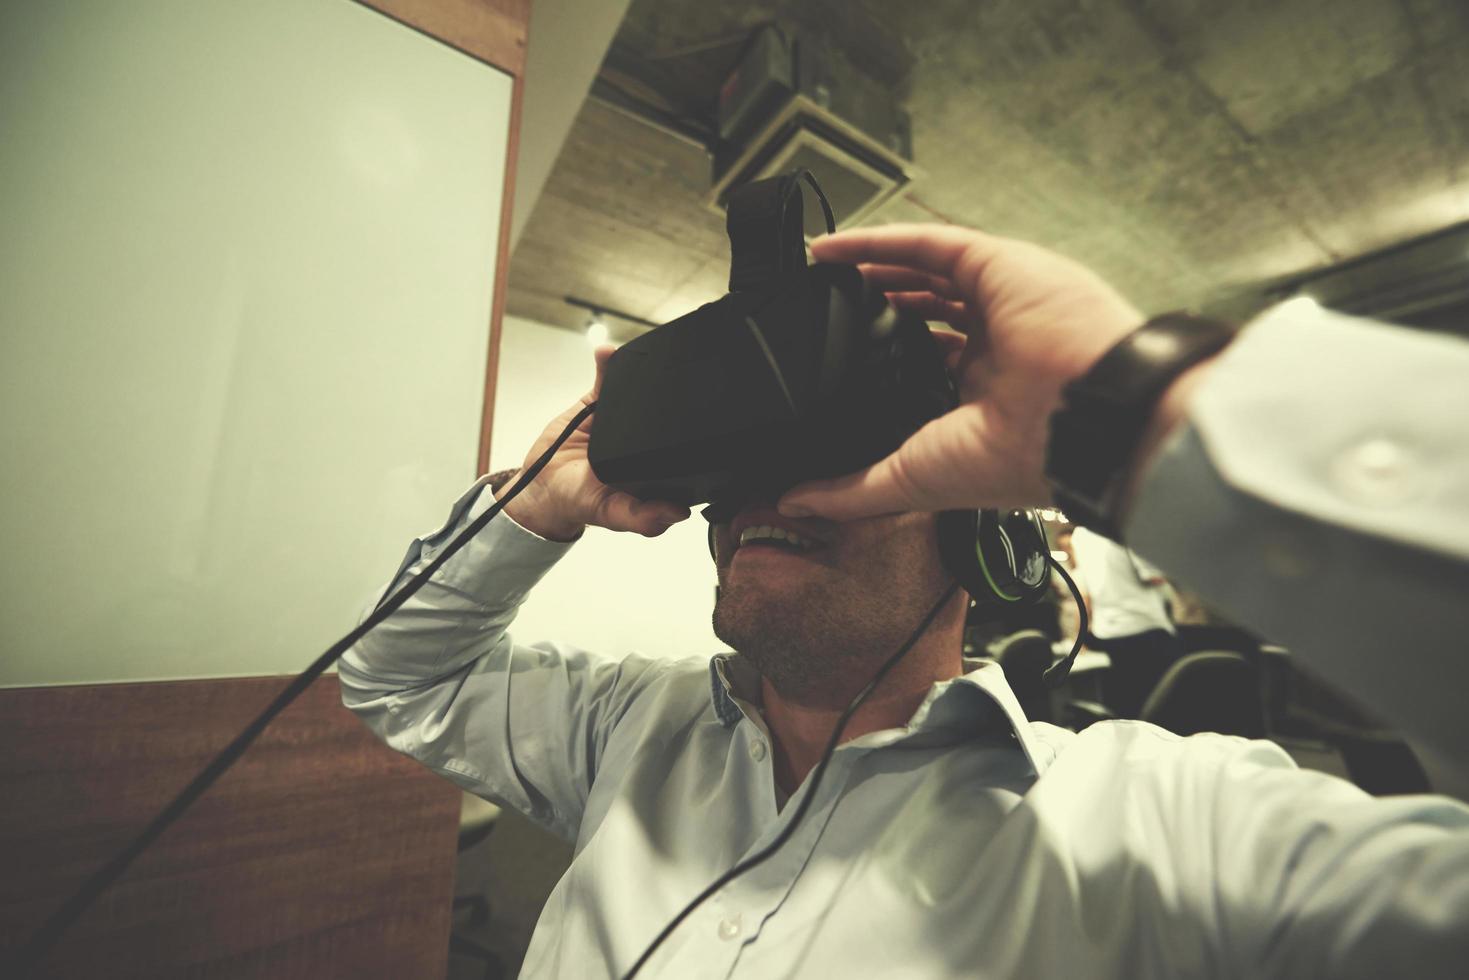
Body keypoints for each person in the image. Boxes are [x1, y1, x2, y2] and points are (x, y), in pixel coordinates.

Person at [340, 223, 1469, 978]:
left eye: (833, 460)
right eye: (734, 470)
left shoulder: (1153, 827)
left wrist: (1144, 420)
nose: (758, 498)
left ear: (982, 535)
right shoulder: (624, 730)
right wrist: (531, 506)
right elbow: (396, 675)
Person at [1067, 523, 1180, 716]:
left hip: (1108, 636)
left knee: (1126, 716)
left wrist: (1079, 638)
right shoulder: (1126, 525)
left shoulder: (1079, 535)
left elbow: (1085, 598)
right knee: (1166, 715)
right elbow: (1152, 576)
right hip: (1146, 631)